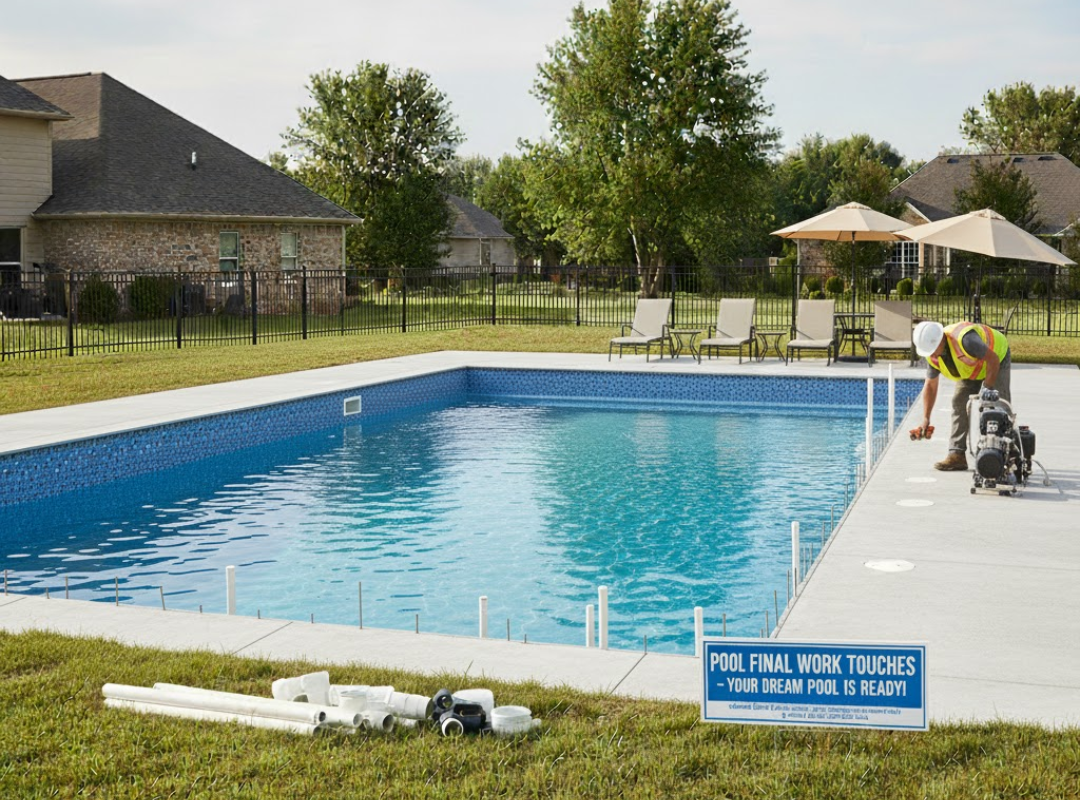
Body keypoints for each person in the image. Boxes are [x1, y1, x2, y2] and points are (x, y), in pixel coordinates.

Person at [912, 320, 1011, 471]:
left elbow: (993, 360)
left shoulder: (966, 340)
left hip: (997, 357)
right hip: (973, 369)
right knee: (959, 402)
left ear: (941, 339)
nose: (931, 354)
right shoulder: (933, 355)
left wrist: (987, 389)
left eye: (932, 350)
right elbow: (930, 385)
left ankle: (1006, 456)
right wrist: (926, 418)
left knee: (998, 405)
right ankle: (956, 455)